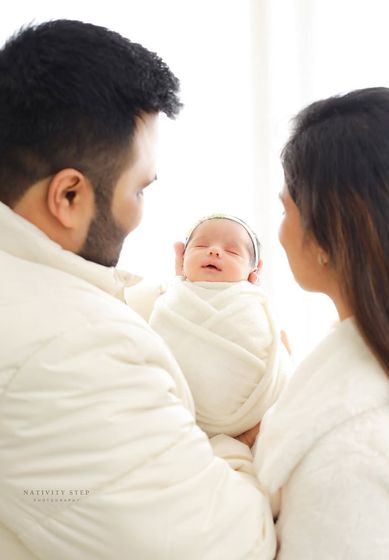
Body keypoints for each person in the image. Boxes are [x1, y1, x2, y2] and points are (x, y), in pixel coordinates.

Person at [0, 20, 276, 560]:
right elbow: (230, 547)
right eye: (140, 188)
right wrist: (235, 446)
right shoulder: (70, 350)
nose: (140, 214)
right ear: (70, 196)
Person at [253, 87, 389, 558]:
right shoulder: (383, 370)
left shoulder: (349, 457)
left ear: (333, 232)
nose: (281, 232)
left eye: (286, 208)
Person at [148, 214, 291, 437]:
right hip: (180, 416)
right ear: (182, 258)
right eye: (201, 245)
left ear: (253, 272)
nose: (214, 251)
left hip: (251, 415)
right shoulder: (172, 296)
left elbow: (271, 348)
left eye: (232, 251)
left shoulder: (251, 300)